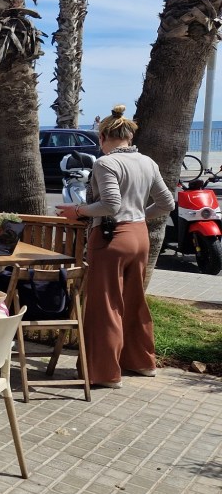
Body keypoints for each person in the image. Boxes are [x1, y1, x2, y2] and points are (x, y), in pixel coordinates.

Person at [55, 105, 174, 389]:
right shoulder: (148, 162)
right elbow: (167, 203)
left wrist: (78, 211)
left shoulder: (105, 163)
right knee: (134, 300)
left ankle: (104, 373)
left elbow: (110, 204)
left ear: (103, 136)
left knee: (105, 305)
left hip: (112, 238)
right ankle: (141, 362)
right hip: (139, 236)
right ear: (130, 136)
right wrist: (139, 216)